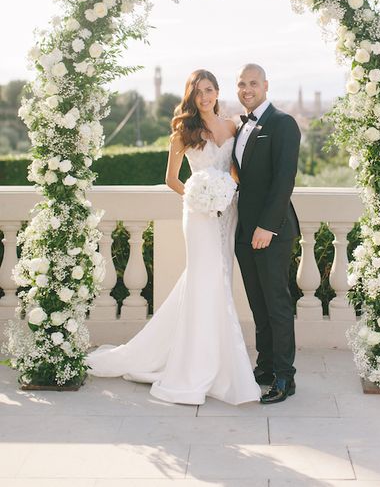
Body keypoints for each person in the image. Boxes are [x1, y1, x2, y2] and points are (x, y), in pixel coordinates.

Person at [87, 69, 261, 405]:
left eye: (210, 89)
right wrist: (198, 197)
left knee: (218, 281)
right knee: (204, 279)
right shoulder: (184, 131)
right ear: (191, 97)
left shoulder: (233, 126)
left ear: (217, 91)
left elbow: (236, 171)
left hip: (228, 212)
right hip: (198, 215)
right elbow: (171, 179)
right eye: (199, 92)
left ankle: (220, 362)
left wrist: (228, 193)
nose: (205, 96)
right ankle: (197, 367)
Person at [233, 63, 301, 404]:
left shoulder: (282, 124)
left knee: (277, 304)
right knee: (258, 304)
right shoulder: (239, 126)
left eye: (253, 83)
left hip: (272, 230)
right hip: (243, 230)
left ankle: (285, 378)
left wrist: (267, 227)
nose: (247, 89)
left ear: (266, 86)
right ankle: (266, 365)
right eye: (242, 84)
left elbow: (284, 180)